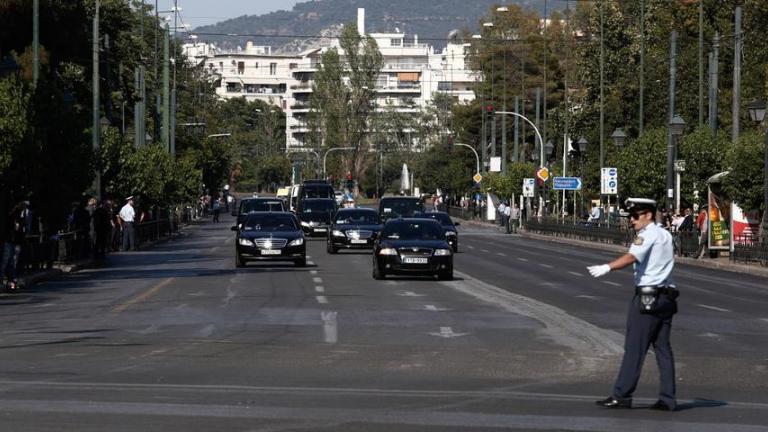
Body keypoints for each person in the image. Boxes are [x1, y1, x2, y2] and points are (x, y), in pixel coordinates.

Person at [587, 198, 679, 411]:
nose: (631, 221)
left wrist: (607, 267)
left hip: (648, 297)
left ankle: (622, 395)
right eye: (630, 217)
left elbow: (632, 257)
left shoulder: (647, 235)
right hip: (667, 297)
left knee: (634, 348)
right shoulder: (665, 234)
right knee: (663, 349)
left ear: (648, 214)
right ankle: (668, 398)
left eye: (635, 216)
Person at [1, 201, 28, 289]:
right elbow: (14, 226)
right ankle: (5, 279)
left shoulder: (20, 214)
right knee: (6, 261)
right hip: (9, 240)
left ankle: (12, 280)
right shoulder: (13, 214)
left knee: (11, 262)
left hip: (14, 240)